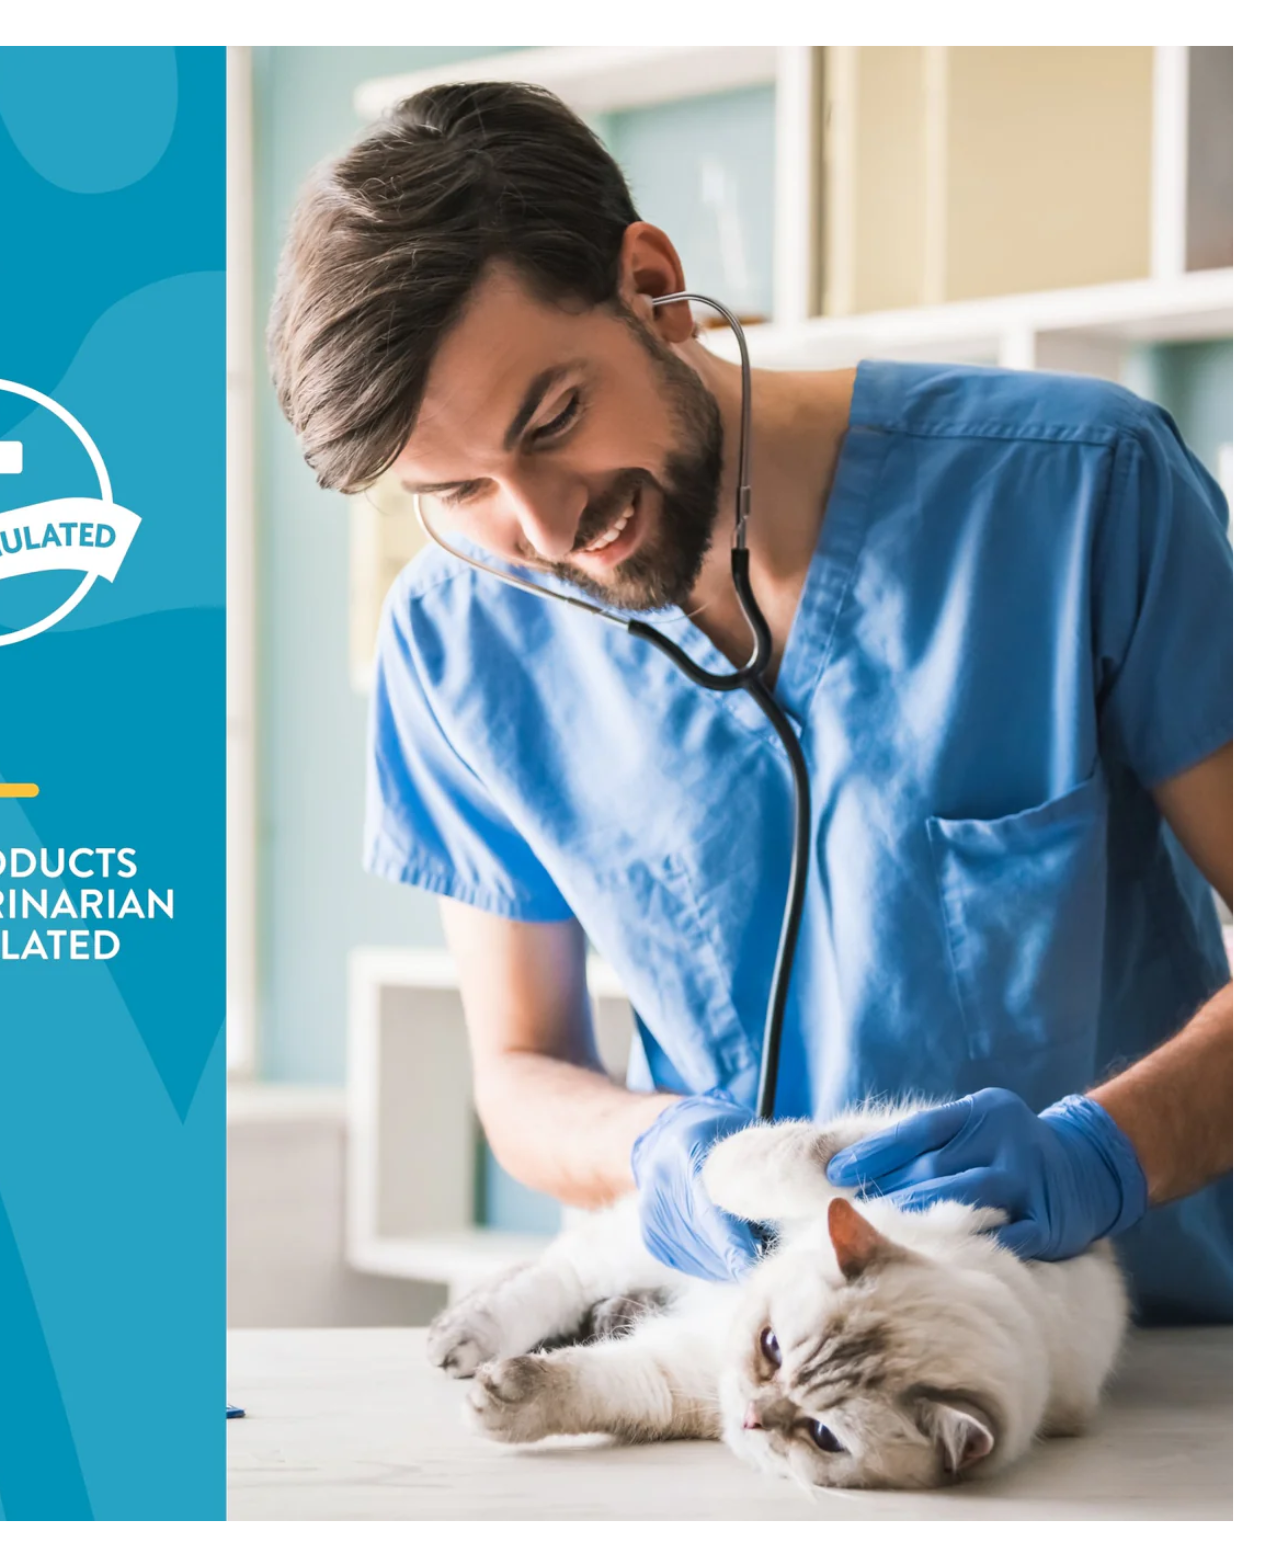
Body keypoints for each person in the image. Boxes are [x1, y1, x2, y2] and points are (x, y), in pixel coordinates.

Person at [267, 83, 1234, 1321]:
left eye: (555, 416)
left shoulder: (1078, 492)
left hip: (1147, 1378)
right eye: (457, 492)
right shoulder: (456, 647)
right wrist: (656, 1153)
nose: (548, 527)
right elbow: (520, 1071)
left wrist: (1106, 1152)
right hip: (767, 1377)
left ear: (653, 284)